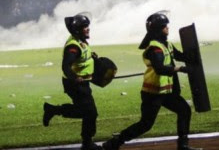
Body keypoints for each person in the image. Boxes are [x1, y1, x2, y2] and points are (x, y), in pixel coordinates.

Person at [102, 13, 200, 150]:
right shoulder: (155, 48)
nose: (167, 28)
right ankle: (114, 143)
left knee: (184, 110)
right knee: (145, 124)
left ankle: (183, 146)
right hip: (153, 93)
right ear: (158, 29)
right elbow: (160, 69)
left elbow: (180, 56)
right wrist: (181, 68)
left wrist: (193, 53)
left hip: (166, 92)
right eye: (164, 26)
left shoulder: (167, 45)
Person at [42, 14, 103, 150]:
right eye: (84, 27)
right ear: (77, 30)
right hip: (75, 85)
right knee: (90, 113)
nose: (88, 29)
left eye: (88, 26)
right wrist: (75, 78)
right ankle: (87, 143)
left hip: (82, 83)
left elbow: (82, 58)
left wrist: (93, 57)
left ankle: (53, 110)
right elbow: (65, 66)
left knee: (88, 112)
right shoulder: (73, 46)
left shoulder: (81, 41)